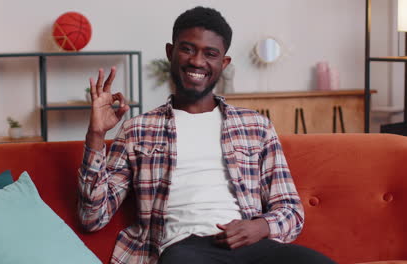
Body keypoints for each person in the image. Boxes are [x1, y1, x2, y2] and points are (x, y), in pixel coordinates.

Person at [78, 6, 335, 264]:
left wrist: (259, 227)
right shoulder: (138, 129)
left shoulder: (256, 126)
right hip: (182, 250)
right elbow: (92, 217)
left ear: (223, 63)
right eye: (187, 49)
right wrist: (96, 135)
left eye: (210, 53)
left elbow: (291, 210)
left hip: (249, 244)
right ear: (171, 52)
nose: (197, 61)